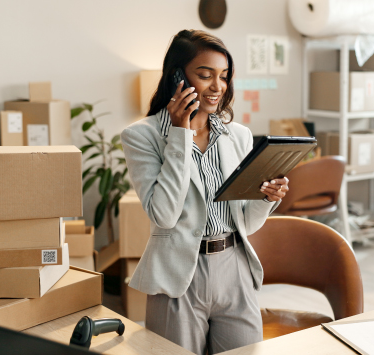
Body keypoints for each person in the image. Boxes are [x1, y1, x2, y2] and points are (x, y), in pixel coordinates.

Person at [120, 29, 289, 355]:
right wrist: (180, 135)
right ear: (178, 76)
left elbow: (247, 224)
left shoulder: (238, 136)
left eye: (223, 76)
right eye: (205, 74)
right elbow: (164, 215)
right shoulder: (142, 136)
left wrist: (266, 197)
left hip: (235, 268)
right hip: (177, 275)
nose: (218, 87)